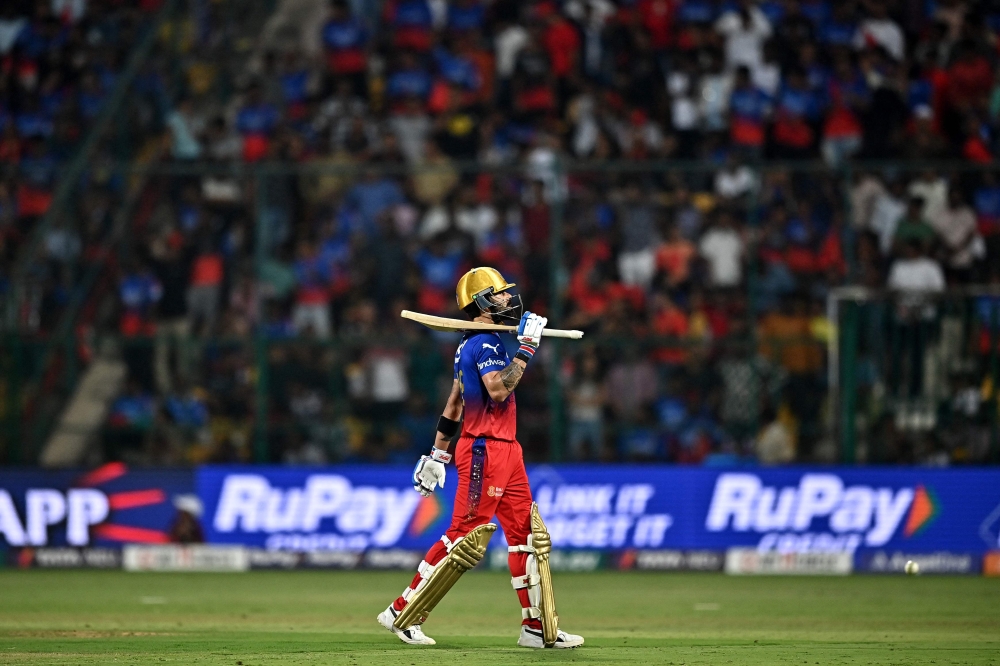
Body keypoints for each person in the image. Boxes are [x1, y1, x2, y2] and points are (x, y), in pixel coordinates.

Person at [377, 267, 584, 649]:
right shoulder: (486, 343)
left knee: (526, 536)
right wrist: (527, 349)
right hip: (484, 451)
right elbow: (499, 390)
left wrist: (438, 453)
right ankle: (402, 612)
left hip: (506, 449)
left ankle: (535, 627)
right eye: (500, 293)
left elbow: (455, 404)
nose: (508, 298)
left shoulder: (469, 344)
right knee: (463, 537)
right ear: (483, 301)